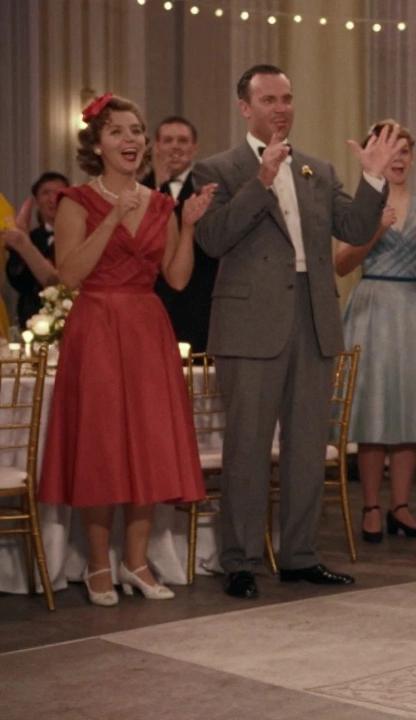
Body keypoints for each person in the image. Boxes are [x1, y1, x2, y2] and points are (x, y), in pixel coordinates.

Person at [193, 64, 398, 599]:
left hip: (313, 319)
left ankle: (301, 555)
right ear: (245, 107)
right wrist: (260, 183)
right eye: (268, 100)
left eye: (287, 98)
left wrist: (374, 179)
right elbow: (212, 239)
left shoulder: (318, 170)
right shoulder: (219, 168)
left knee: (309, 448)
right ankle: (240, 560)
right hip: (249, 326)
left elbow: (354, 229)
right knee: (248, 448)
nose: (280, 108)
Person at [38, 94, 212, 606]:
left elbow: (176, 279)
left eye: (136, 130)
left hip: (146, 327)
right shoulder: (76, 200)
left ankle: (136, 562)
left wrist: (191, 225)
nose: (131, 139)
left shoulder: (162, 204)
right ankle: (97, 565)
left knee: (148, 444)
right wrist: (113, 217)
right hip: (95, 326)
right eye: (117, 131)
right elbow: (68, 275)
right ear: (97, 144)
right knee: (103, 446)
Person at [335, 120, 416, 543]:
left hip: (414, 308)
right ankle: (371, 506)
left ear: (412, 159)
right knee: (373, 410)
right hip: (374, 307)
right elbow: (342, 264)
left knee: (410, 410)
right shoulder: (360, 203)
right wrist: (375, 229)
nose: (398, 159)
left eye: (404, 152)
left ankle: (401, 505)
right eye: (391, 151)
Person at [141, 116, 218, 353]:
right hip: (155, 299)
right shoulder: (141, 188)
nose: (175, 146)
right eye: (168, 140)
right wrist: (158, 187)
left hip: (199, 299)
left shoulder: (210, 188)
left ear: (194, 148)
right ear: (157, 147)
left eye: (182, 140)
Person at [3, 172, 67, 328]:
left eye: (58, 193)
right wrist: (21, 247)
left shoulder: (83, 236)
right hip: (34, 320)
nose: (52, 199)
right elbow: (18, 282)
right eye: (46, 193)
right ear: (36, 200)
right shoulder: (28, 238)